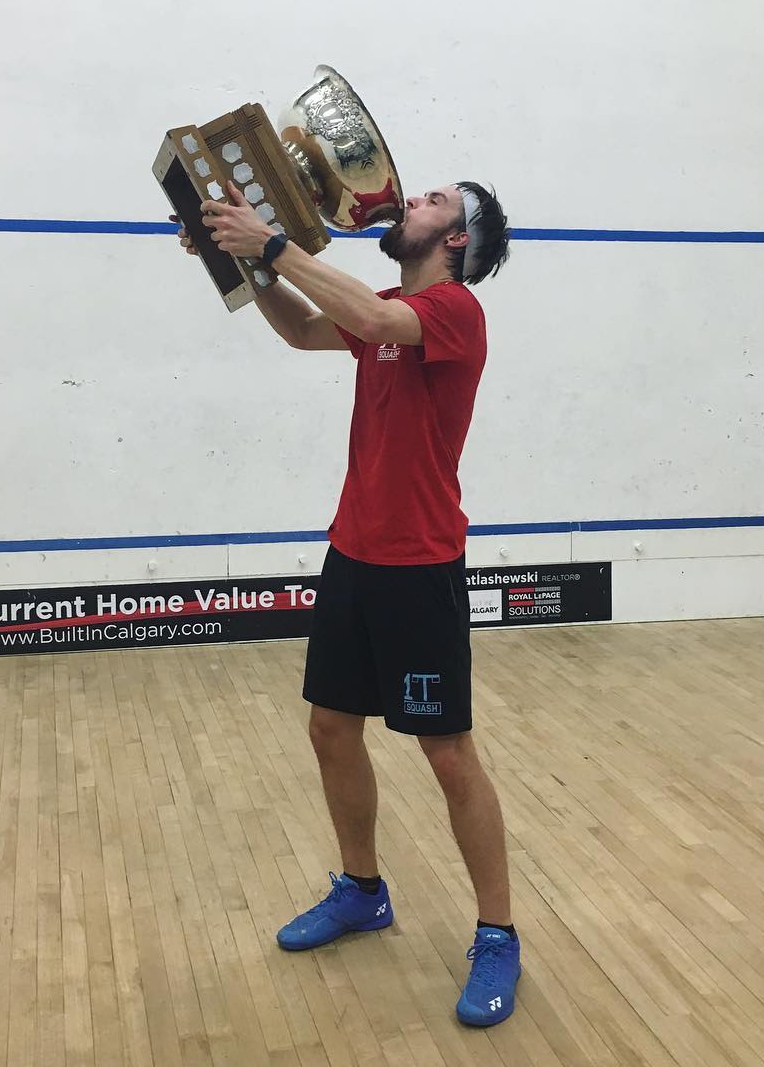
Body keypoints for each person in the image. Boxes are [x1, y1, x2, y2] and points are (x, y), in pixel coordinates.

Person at [173, 177, 517, 1026]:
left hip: (420, 567)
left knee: (446, 754)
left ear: (459, 240)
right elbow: (299, 327)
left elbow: (377, 321)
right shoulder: (387, 305)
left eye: (433, 200)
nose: (412, 202)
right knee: (331, 727)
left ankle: (500, 934)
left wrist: (274, 246)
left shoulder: (451, 314)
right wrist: (238, 262)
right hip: (354, 554)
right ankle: (362, 890)